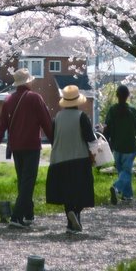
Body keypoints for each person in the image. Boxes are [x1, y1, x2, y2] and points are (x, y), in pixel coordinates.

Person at [0, 68, 54, 228]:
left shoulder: (8, 100)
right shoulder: (35, 98)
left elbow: (0, 126)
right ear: (28, 82)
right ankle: (16, 217)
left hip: (15, 147)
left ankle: (28, 214)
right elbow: (46, 122)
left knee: (23, 182)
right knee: (28, 182)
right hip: (31, 145)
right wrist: (54, 141)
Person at [46, 84, 96, 234]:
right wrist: (94, 154)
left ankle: (70, 221)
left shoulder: (57, 118)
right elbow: (90, 139)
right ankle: (76, 214)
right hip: (79, 158)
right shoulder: (82, 117)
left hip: (59, 160)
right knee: (81, 191)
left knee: (66, 192)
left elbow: (53, 138)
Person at [101, 84, 136, 204]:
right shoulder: (132, 110)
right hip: (130, 146)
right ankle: (116, 187)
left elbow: (107, 128)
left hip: (117, 146)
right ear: (127, 96)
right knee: (126, 172)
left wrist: (106, 142)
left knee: (122, 172)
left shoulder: (112, 110)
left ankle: (127, 195)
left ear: (117, 96)